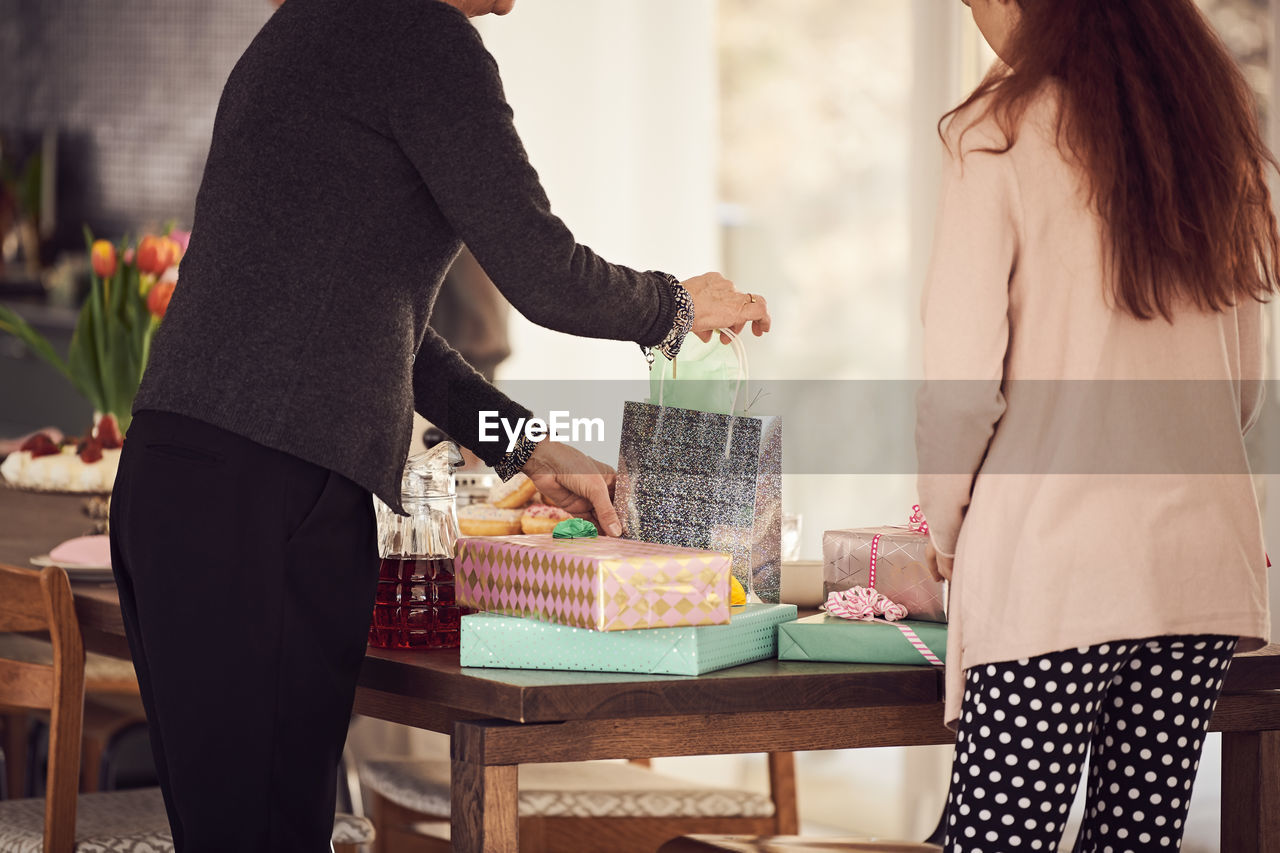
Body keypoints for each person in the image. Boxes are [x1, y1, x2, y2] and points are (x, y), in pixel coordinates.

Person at [107, 0, 771, 849]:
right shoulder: (423, 34)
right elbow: (542, 268)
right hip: (266, 495)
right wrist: (674, 306)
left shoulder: (317, 23)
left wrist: (524, 446)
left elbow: (382, 330)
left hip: (179, 478)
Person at [916, 0, 1275, 849]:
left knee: (1001, 840)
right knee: (1137, 840)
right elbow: (1247, 389)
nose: (982, 26)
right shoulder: (1215, 132)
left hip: (1054, 567)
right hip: (1199, 570)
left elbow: (962, 389)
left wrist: (949, 530)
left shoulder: (998, 133)